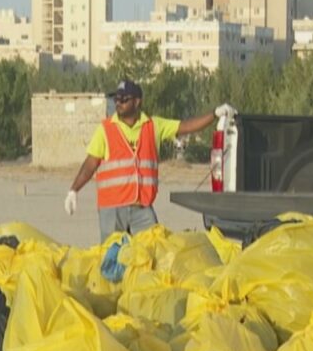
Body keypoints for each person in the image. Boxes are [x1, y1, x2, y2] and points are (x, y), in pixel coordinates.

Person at [64, 79, 232, 240]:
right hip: (112, 209)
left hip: (142, 208)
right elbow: (90, 163)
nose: (119, 103)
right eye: (117, 99)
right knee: (113, 255)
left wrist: (214, 114)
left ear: (137, 102)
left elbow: (186, 126)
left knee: (152, 250)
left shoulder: (153, 126)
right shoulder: (105, 129)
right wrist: (74, 190)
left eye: (124, 99)